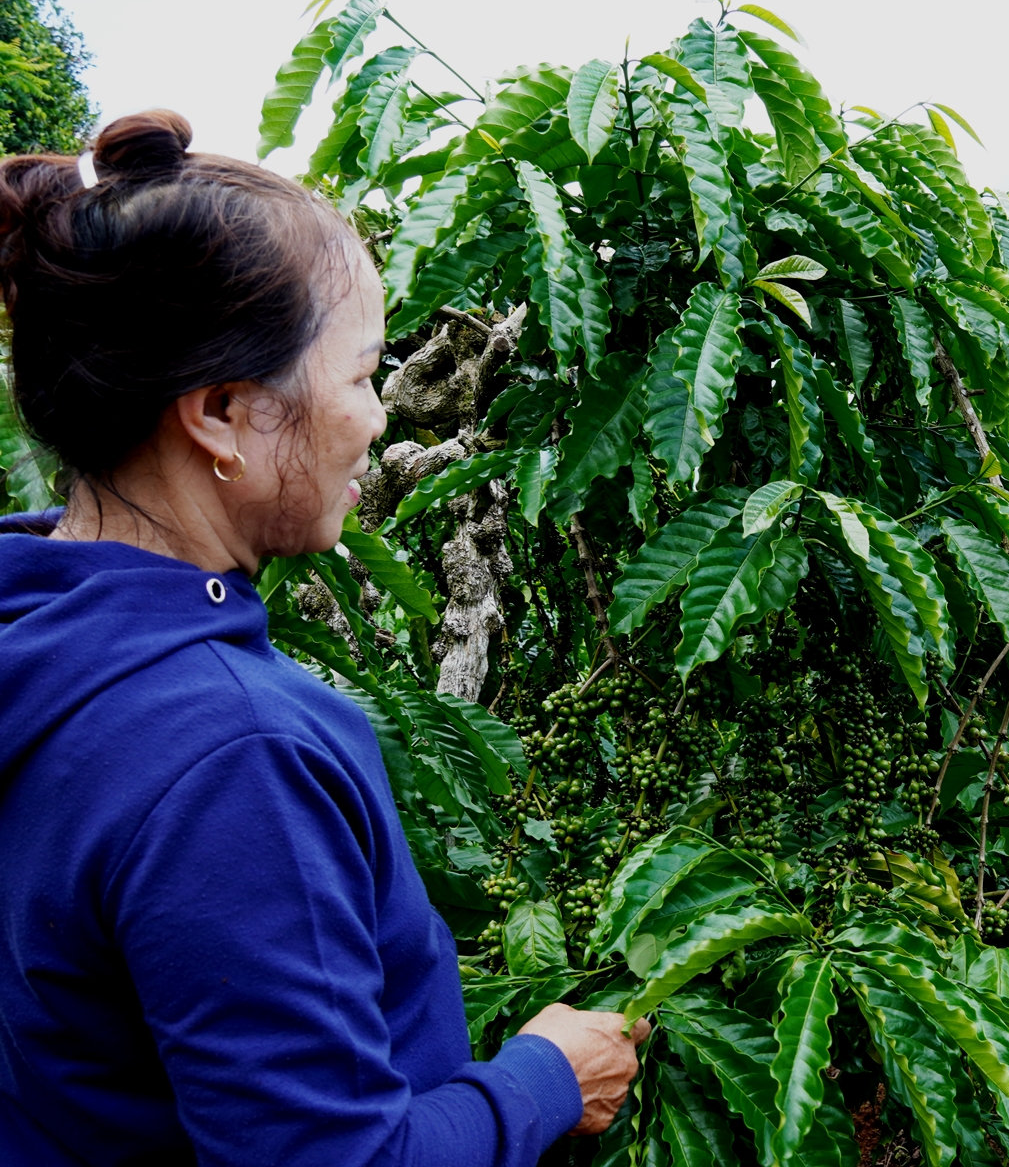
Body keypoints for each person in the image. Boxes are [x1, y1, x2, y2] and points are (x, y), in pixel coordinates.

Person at [0, 111, 644, 1166]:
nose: (380, 417)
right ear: (220, 411)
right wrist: (539, 1084)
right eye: (358, 376)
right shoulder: (233, 757)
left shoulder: (35, 641)